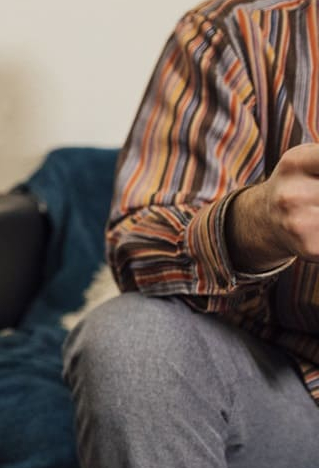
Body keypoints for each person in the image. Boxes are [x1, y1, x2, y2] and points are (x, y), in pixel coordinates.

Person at [61, 0, 319, 466]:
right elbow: (137, 246)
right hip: (295, 399)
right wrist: (260, 222)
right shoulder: (234, 30)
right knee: (131, 341)